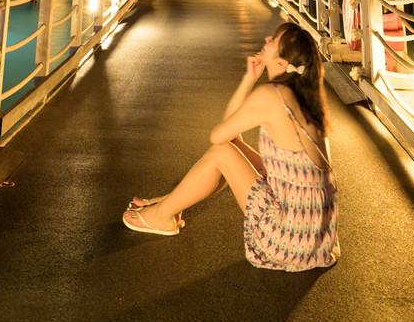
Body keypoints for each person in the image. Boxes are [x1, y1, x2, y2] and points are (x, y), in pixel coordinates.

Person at [122, 21, 339, 270]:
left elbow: (219, 137)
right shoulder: (308, 98)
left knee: (222, 152)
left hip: (288, 240)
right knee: (233, 147)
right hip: (317, 238)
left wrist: (249, 81)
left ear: (282, 63)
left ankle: (161, 217)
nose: (267, 38)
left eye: (274, 40)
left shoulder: (271, 95)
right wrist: (251, 76)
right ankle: (171, 202)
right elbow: (238, 139)